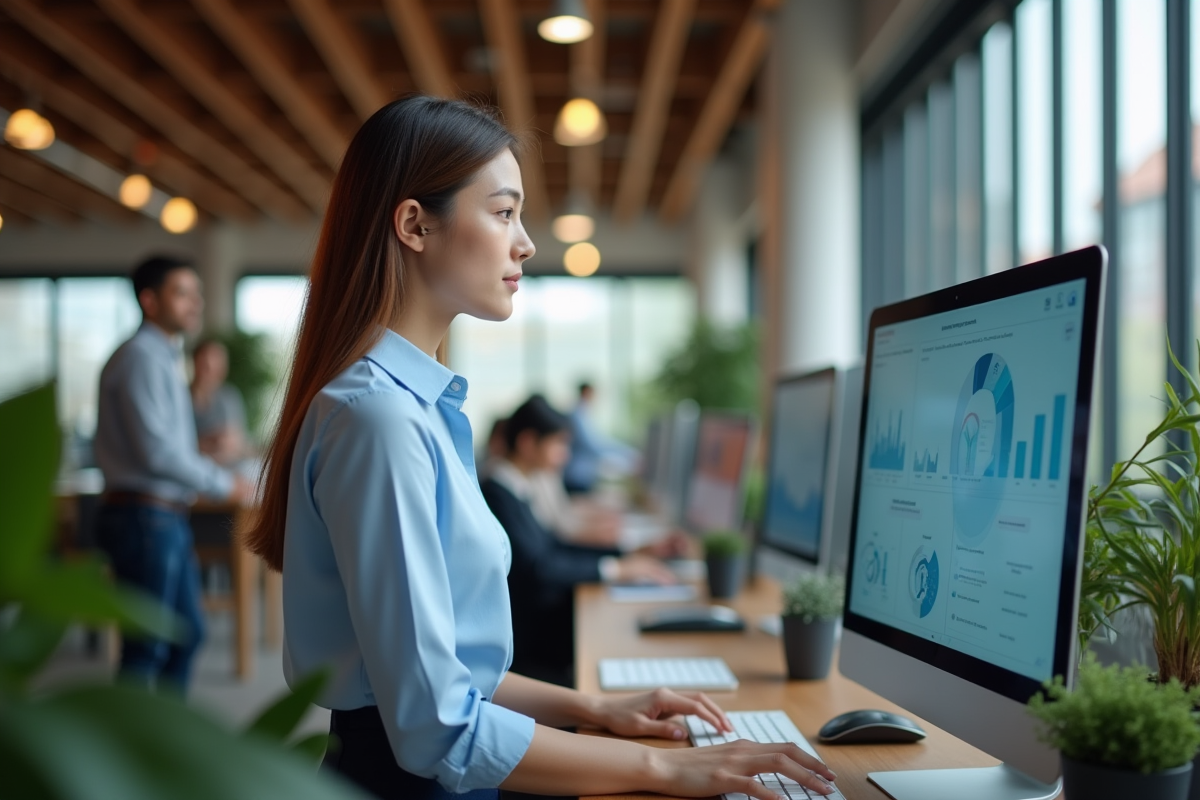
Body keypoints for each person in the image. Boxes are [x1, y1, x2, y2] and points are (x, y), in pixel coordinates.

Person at [242, 95, 836, 800]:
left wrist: (596, 709)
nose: (525, 242)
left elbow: (453, 674)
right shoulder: (380, 421)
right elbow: (436, 726)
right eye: (503, 212)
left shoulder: (416, 411)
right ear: (414, 224)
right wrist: (670, 766)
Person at [93, 254, 252, 692]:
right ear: (149, 300)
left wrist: (201, 450)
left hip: (162, 515)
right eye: (182, 293)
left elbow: (159, 445)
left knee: (185, 636)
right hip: (144, 517)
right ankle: (135, 756)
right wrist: (224, 483)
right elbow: (157, 453)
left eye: (196, 294)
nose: (195, 303)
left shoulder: (161, 356)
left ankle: (159, 746)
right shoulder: (142, 358)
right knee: (147, 648)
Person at [480, 394, 675, 686]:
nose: (565, 456)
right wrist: (616, 570)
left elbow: (552, 544)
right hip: (531, 641)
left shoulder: (514, 488)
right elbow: (538, 567)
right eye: (558, 445)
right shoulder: (498, 493)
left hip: (539, 625)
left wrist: (626, 553)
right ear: (528, 442)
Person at [563, 381, 637, 494]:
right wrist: (629, 454)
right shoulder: (578, 415)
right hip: (576, 477)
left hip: (583, 475)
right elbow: (593, 444)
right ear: (586, 392)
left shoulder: (584, 414)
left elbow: (598, 441)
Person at [190, 338, 249, 466]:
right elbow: (174, 446)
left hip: (228, 468)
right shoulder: (182, 398)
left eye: (217, 365)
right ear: (195, 363)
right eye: (206, 365)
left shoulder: (229, 396)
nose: (211, 371)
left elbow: (240, 442)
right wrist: (207, 442)